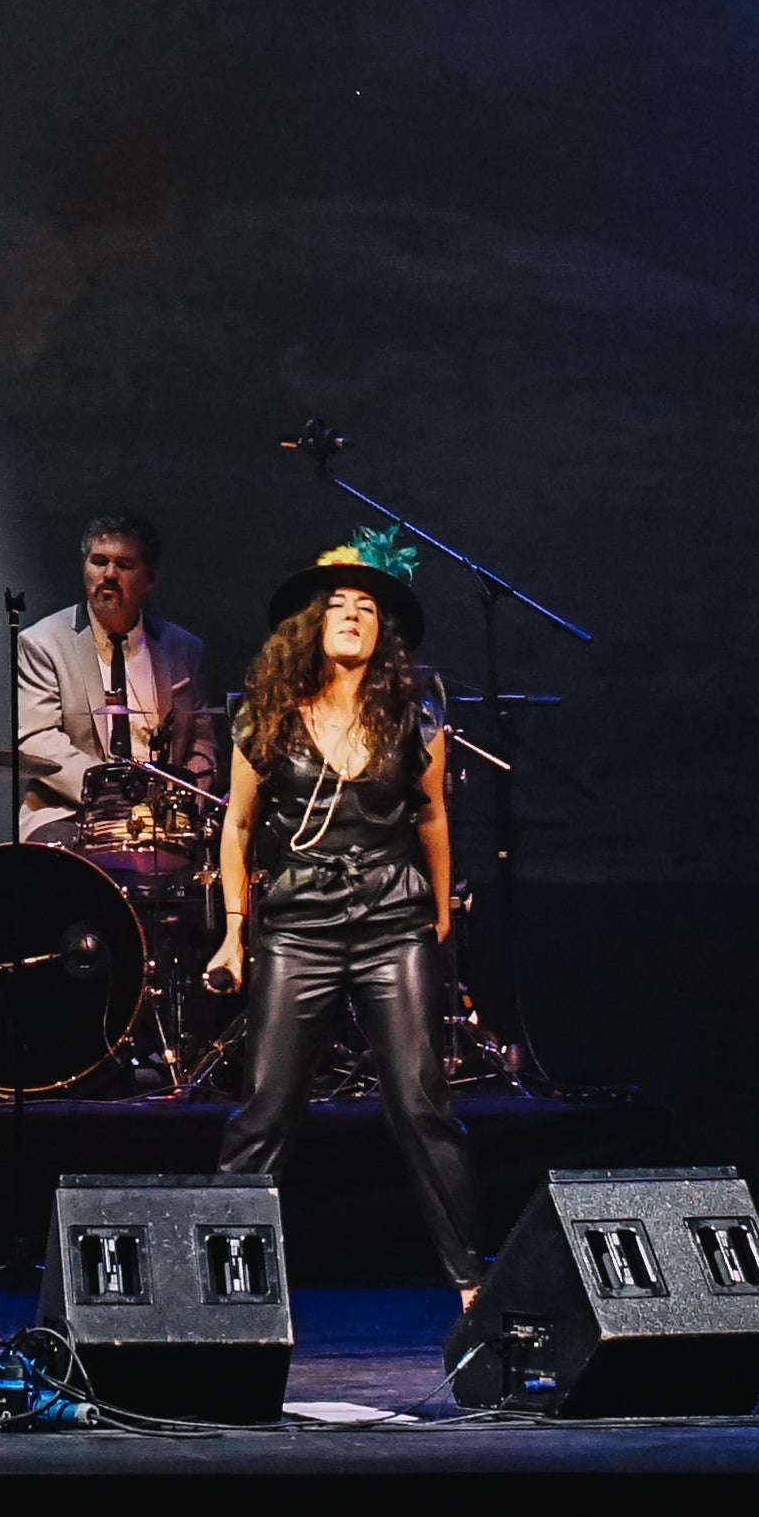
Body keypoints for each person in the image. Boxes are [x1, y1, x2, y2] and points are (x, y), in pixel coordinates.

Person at [204, 548, 491, 1322]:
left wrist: (435, 912)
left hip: (391, 918)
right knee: (265, 1106)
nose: (355, 614)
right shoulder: (267, 712)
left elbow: (431, 816)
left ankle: (475, 1285)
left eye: (368, 607)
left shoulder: (411, 714)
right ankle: (223, 1287)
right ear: (312, 623)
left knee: (422, 1102)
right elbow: (235, 826)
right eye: (339, 603)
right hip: (299, 923)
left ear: (384, 631)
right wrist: (234, 932)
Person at [15, 512, 216, 846]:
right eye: (98, 562)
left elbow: (202, 742)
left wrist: (178, 804)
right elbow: (37, 740)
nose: (108, 574)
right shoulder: (43, 643)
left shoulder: (184, 649)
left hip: (163, 818)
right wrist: (114, 801)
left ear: (150, 579)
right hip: (68, 812)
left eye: (124, 565)